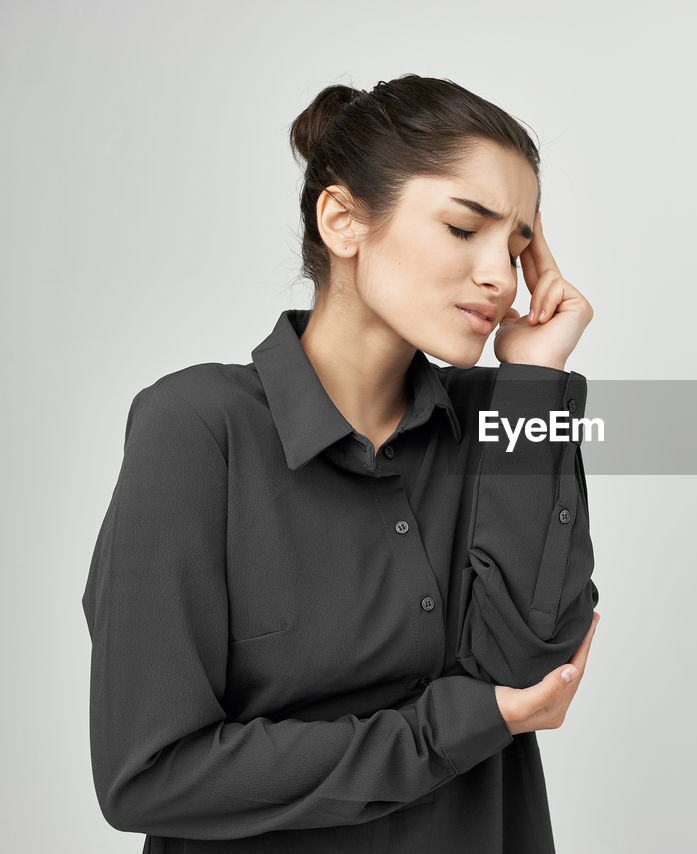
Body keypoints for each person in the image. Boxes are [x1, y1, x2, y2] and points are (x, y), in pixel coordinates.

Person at [80, 74, 602, 853]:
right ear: (343, 220)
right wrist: (448, 728)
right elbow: (148, 774)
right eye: (466, 229)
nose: (500, 275)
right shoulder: (195, 429)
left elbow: (531, 672)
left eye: (518, 245)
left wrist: (534, 383)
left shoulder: (505, 416)